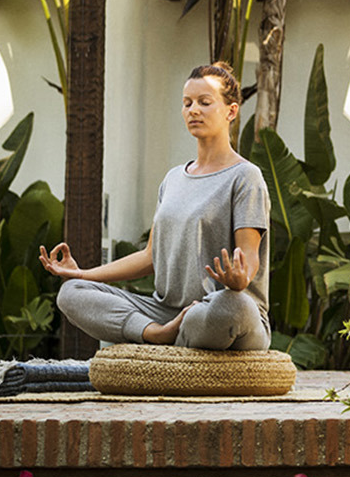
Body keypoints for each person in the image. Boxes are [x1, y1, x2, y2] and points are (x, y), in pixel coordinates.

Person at [41, 62, 272, 351]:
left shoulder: (245, 176)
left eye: (204, 102)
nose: (193, 110)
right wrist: (82, 273)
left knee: (233, 306)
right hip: (166, 313)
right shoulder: (173, 179)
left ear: (231, 111)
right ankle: (156, 334)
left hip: (222, 312)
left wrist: (239, 280)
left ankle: (172, 340)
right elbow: (150, 256)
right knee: (71, 293)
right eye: (187, 103)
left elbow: (248, 256)